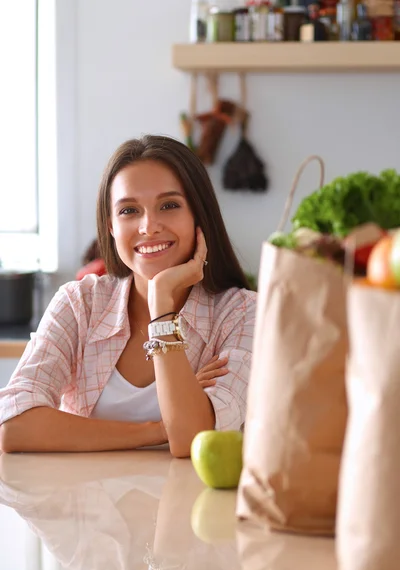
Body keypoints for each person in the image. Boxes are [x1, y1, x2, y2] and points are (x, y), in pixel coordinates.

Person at [0, 135, 256, 456]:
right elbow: (12, 425)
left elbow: (191, 441)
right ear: (110, 227)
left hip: (185, 504)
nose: (149, 226)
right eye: (129, 210)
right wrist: (160, 429)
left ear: (199, 216)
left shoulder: (242, 313)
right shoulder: (81, 304)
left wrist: (161, 304)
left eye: (169, 205)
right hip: (81, 502)